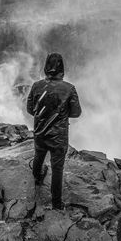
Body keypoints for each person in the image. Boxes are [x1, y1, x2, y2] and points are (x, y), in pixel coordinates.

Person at [27, 53, 82, 210]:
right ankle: (56, 204)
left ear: (45, 68)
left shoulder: (36, 86)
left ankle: (37, 178)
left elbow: (30, 109)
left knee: (39, 155)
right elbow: (76, 113)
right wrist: (60, 115)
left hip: (40, 133)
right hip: (58, 137)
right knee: (57, 168)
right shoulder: (69, 89)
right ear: (62, 70)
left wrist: (43, 116)